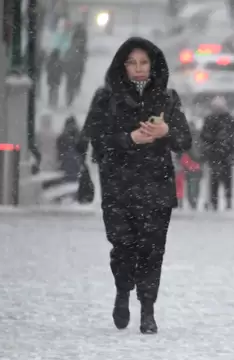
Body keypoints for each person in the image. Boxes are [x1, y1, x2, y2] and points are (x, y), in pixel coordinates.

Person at [85, 37, 191, 334]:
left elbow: (185, 140)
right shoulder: (106, 99)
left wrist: (165, 130)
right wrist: (129, 139)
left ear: (153, 65)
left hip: (156, 187)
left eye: (144, 62)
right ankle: (122, 291)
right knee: (123, 247)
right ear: (123, 66)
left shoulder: (167, 99)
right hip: (119, 188)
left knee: (152, 250)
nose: (139, 68)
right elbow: (99, 141)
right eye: (132, 62)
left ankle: (147, 309)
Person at [200, 96, 234, 211]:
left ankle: (228, 201)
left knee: (227, 180)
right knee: (214, 180)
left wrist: (232, 152)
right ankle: (214, 202)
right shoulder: (210, 119)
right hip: (214, 154)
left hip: (226, 154)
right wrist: (209, 148)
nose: (217, 109)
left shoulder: (230, 119)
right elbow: (204, 136)